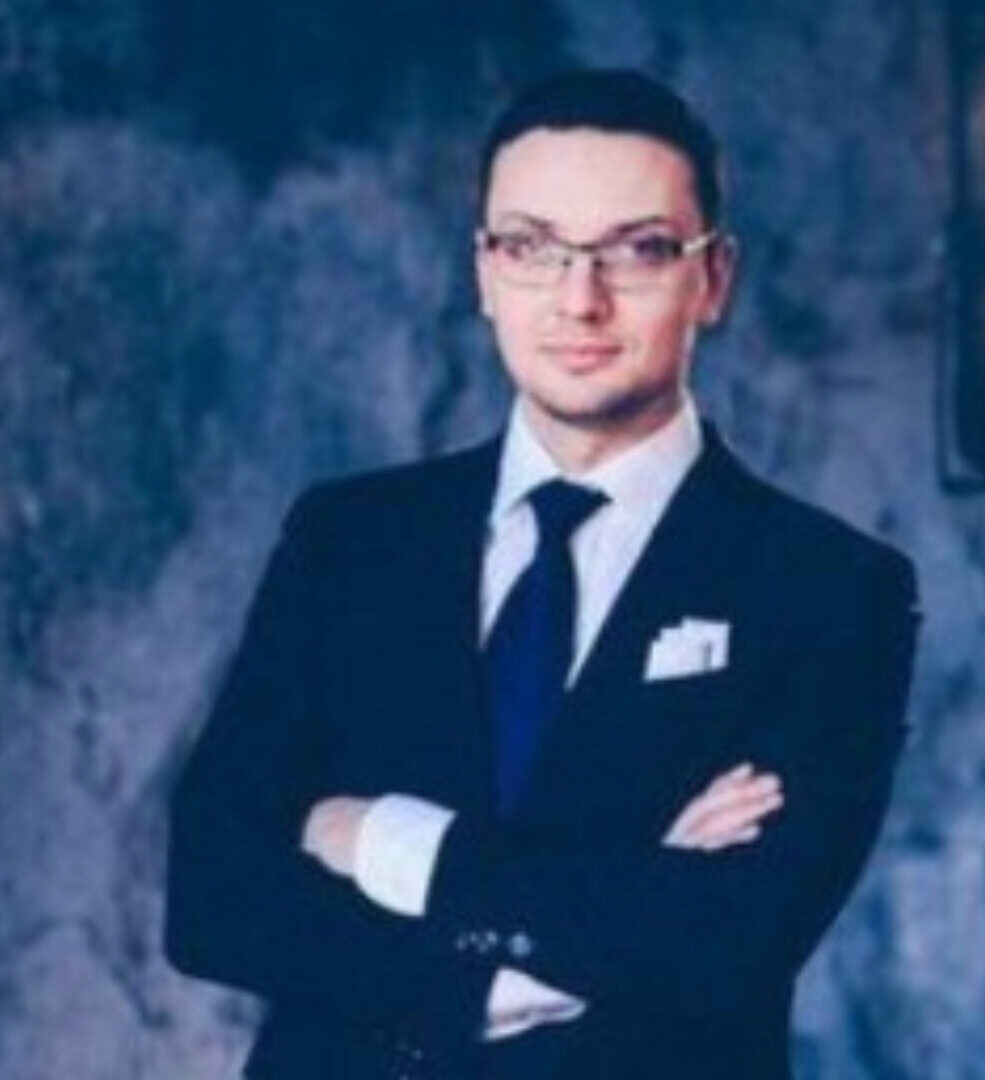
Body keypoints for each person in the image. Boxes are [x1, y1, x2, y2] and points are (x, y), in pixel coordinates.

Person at [166, 68, 919, 1079]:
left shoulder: (827, 587)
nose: (579, 300)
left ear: (713, 278)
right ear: (484, 271)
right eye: (531, 247)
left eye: (638, 250)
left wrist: (390, 840)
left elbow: (726, 942)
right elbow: (211, 894)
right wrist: (537, 952)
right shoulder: (350, 541)